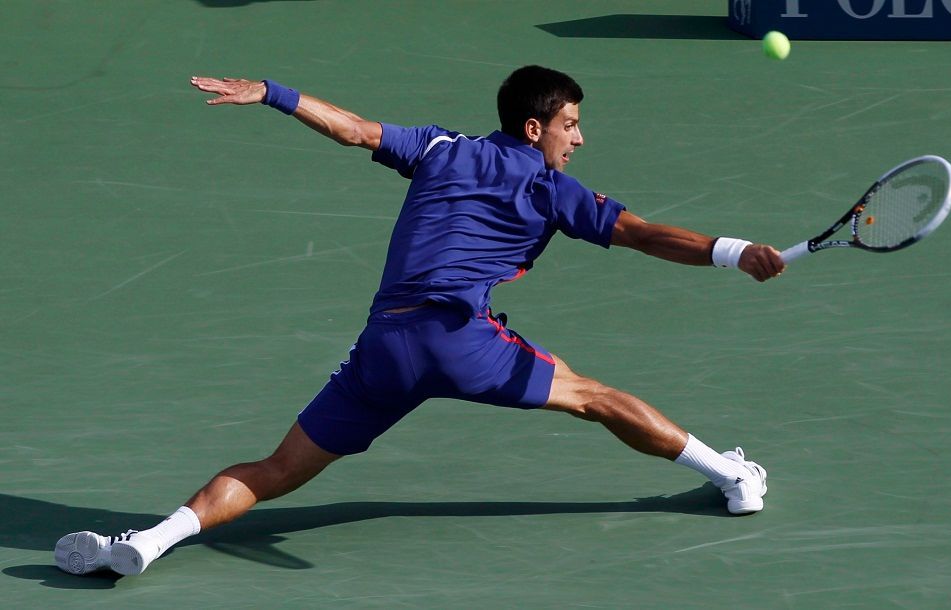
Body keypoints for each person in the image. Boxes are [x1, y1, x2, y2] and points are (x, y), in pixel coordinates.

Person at [54, 65, 785, 577]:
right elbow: (644, 234)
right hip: (459, 338)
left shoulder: (440, 149)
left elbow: (354, 131)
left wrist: (273, 92)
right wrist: (733, 250)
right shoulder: (552, 187)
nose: (579, 139)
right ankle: (731, 476)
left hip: (385, 345)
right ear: (535, 128)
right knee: (590, 396)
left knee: (277, 469)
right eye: (571, 125)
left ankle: (150, 541)